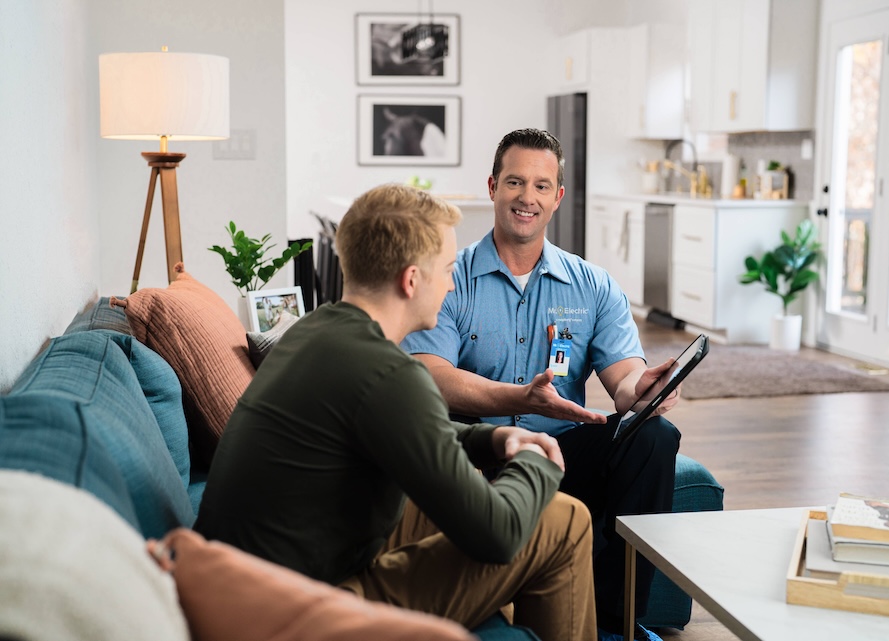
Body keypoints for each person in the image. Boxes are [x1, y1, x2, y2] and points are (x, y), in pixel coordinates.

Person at [194, 183, 597, 641]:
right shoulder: (388, 373)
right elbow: (497, 536)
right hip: (300, 611)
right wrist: (537, 461)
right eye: (447, 269)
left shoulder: (316, 330)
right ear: (411, 280)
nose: (451, 284)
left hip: (249, 585)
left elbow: (412, 429)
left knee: (552, 513)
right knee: (564, 522)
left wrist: (496, 439)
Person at [401, 129, 682, 641]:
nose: (526, 197)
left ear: (557, 195)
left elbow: (623, 382)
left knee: (653, 435)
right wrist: (515, 399)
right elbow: (430, 376)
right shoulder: (450, 278)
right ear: (492, 186)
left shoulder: (593, 285)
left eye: (540, 185)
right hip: (476, 455)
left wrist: (646, 388)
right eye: (514, 182)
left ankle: (618, 624)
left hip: (560, 453)